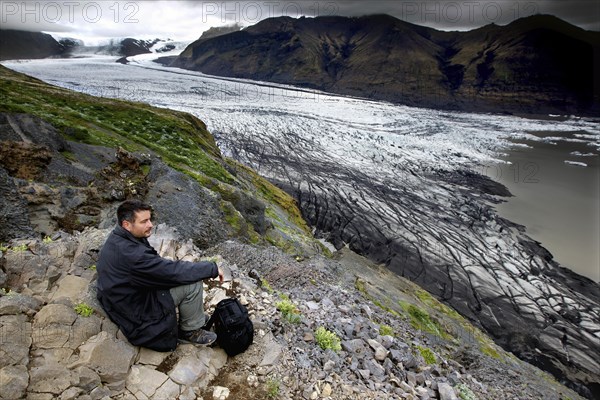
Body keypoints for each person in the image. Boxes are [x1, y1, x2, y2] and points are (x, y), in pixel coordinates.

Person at [96, 199, 223, 351]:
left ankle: (193, 316)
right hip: (139, 314)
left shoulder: (121, 238)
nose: (150, 225)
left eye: (150, 219)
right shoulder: (133, 255)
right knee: (192, 284)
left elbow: (160, 268)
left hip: (129, 297)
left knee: (173, 270)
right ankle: (189, 331)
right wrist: (211, 268)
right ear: (127, 225)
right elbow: (173, 272)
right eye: (144, 221)